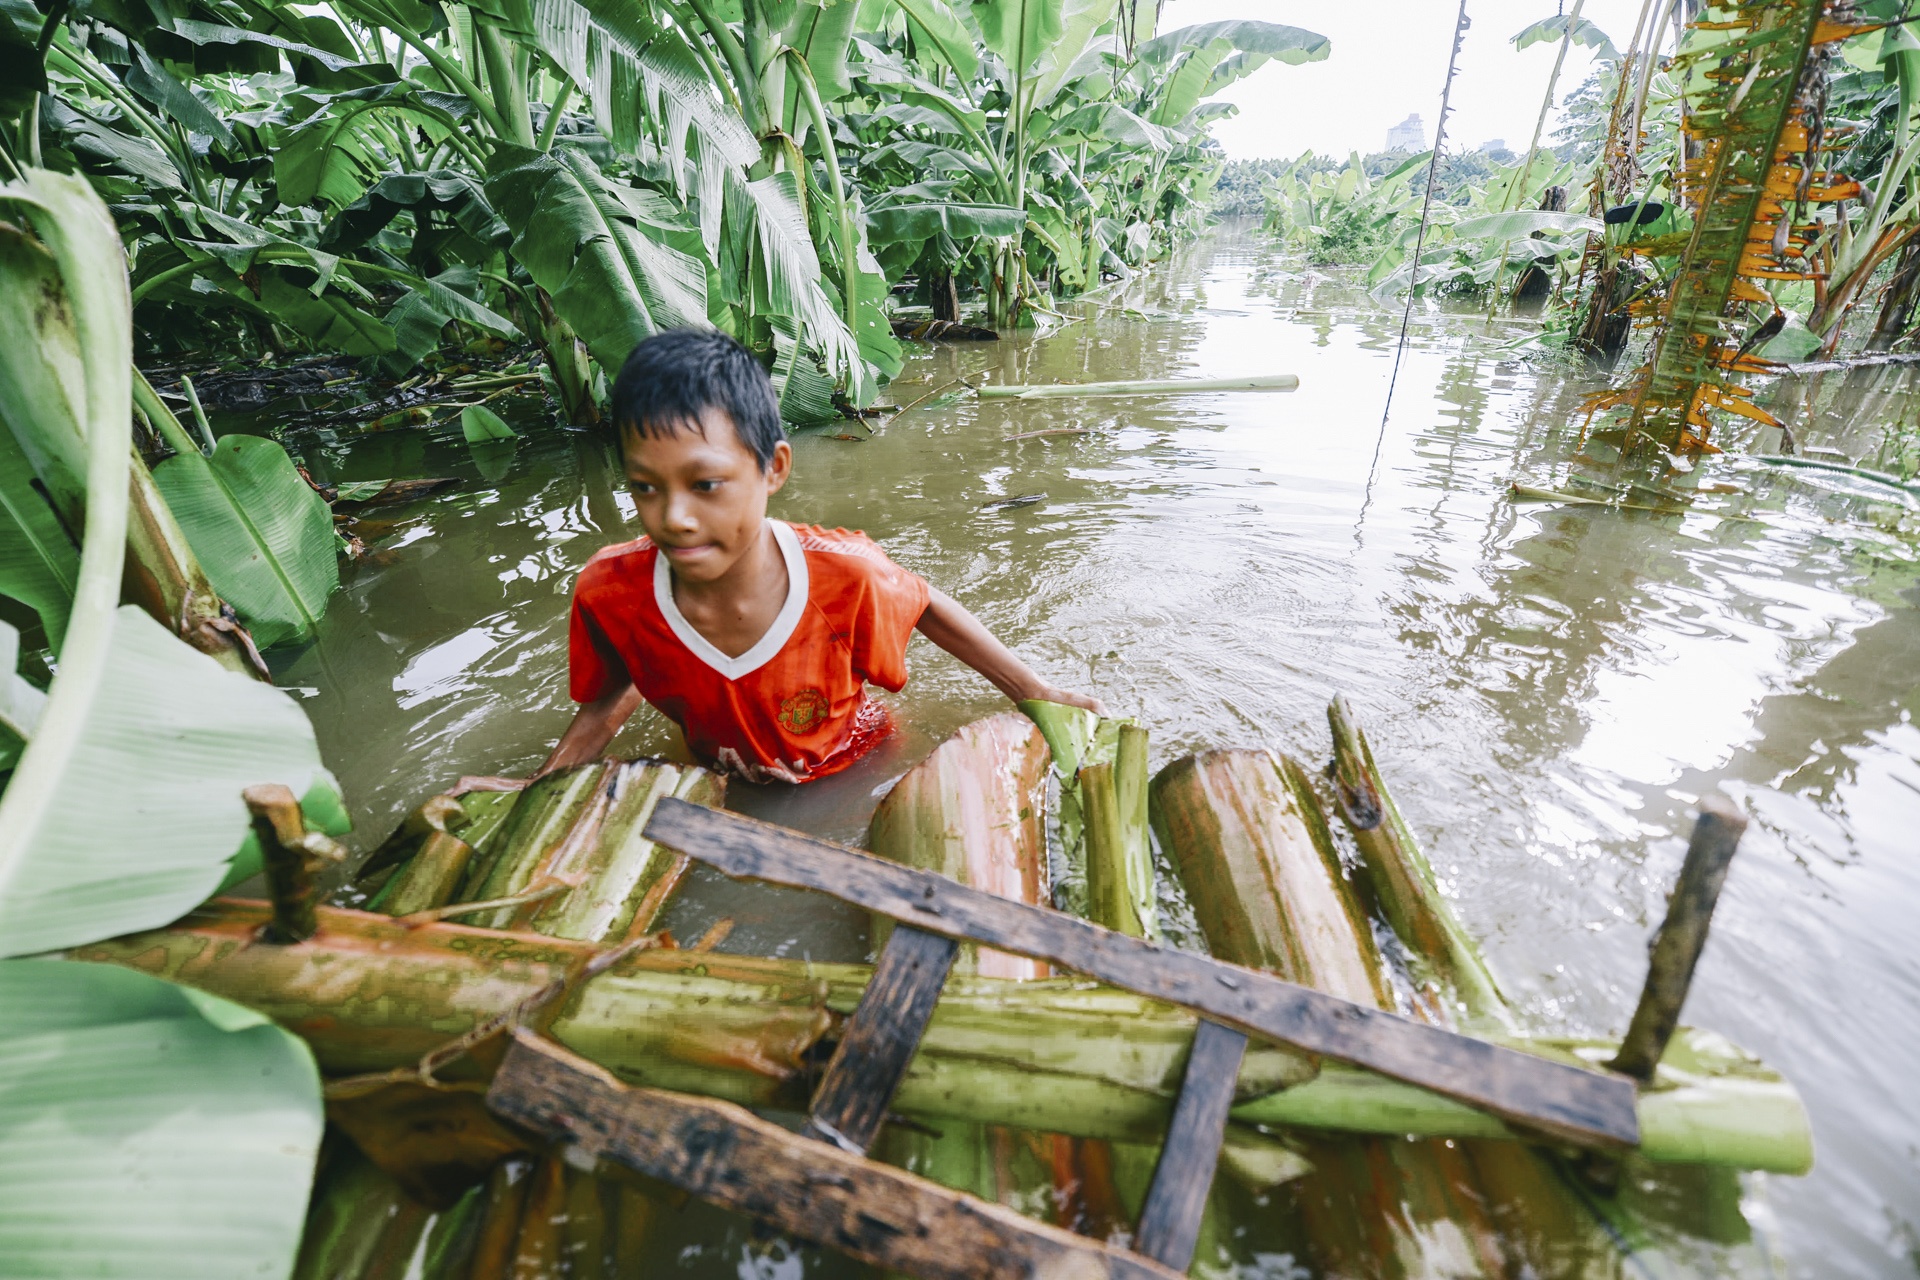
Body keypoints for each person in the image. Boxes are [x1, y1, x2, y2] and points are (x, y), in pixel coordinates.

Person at [541, 329, 1104, 784]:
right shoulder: (610, 591)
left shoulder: (844, 575)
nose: (674, 517)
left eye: (706, 484)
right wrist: (544, 784)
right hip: (719, 776)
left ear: (773, 469)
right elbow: (615, 687)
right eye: (645, 487)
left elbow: (925, 603)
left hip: (853, 765)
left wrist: (1037, 693)